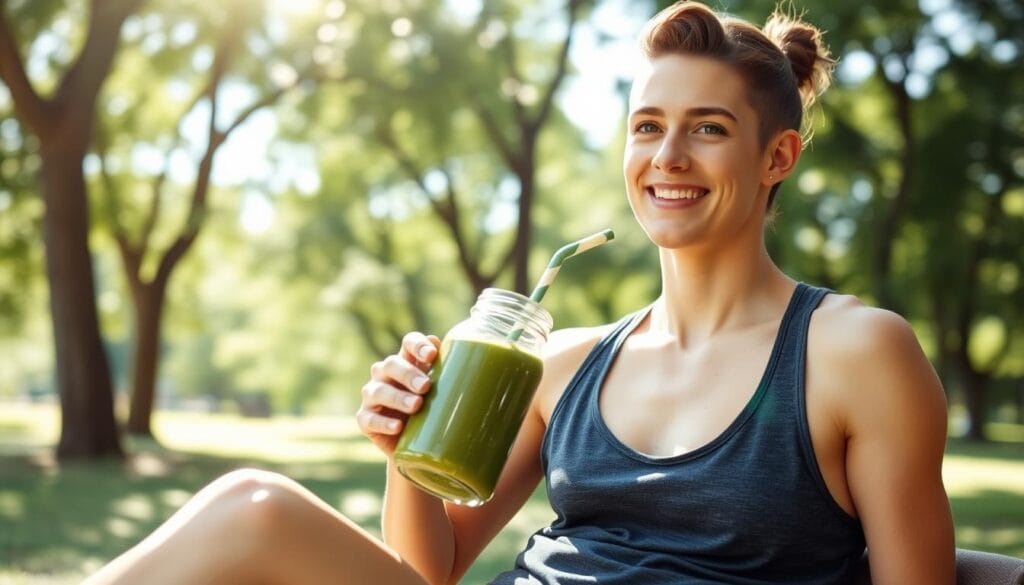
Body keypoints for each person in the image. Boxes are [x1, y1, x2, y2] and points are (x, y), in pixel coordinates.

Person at [86, 2, 955, 584]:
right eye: (647, 126)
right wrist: (408, 452)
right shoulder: (565, 360)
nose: (668, 158)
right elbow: (430, 570)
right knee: (255, 507)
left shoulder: (853, 352)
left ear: (778, 158)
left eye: (709, 129)